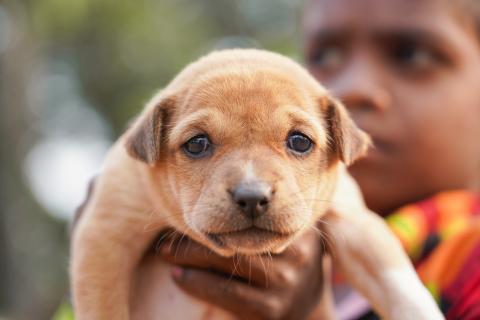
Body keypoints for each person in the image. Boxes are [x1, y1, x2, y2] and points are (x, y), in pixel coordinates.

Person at [68, 0, 480, 319]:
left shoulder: (466, 258)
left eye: (298, 142)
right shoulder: (130, 176)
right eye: (198, 144)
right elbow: (98, 246)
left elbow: (366, 243)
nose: (252, 189)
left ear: (339, 145)